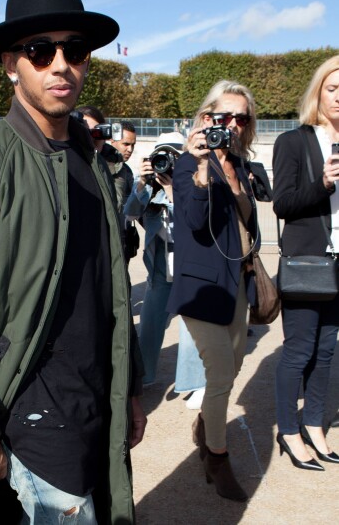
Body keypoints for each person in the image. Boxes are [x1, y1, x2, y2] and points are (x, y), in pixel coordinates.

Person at [0, 0, 146, 524]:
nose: (61, 64)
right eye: (41, 50)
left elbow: (110, 291)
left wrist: (131, 387)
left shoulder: (96, 159)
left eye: (76, 49)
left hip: (94, 397)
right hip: (29, 406)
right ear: (10, 64)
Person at [166, 80, 261, 501]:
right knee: (221, 373)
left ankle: (206, 425)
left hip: (236, 281)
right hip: (201, 288)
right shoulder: (188, 163)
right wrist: (202, 166)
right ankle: (217, 458)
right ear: (207, 119)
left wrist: (234, 179)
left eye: (243, 118)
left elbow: (251, 218)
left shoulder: (238, 164)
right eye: (226, 117)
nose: (235, 125)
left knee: (234, 365)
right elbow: (189, 220)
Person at [272, 55, 339, 469]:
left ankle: (314, 424)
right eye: (334, 89)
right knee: (299, 350)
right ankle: (289, 431)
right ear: (319, 92)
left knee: (328, 349)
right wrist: (325, 183)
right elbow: (283, 204)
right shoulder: (294, 142)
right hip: (308, 262)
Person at [124, 132, 183, 385]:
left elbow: (193, 220)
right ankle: (144, 376)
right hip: (161, 271)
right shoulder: (149, 187)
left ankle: (197, 383)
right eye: (162, 154)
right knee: (149, 325)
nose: (166, 162)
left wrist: (172, 188)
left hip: (190, 269)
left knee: (195, 332)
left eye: (173, 155)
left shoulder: (196, 184)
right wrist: (142, 183)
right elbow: (129, 213)